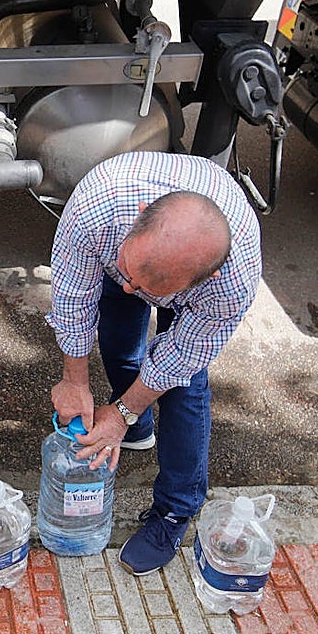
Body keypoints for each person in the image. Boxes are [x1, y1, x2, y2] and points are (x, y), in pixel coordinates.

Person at [45, 150, 261, 575]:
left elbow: (178, 357)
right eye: (129, 271)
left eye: (146, 287)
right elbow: (74, 298)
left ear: (207, 279)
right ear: (140, 216)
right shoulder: (98, 205)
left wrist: (121, 412)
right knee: (118, 334)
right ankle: (135, 427)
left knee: (184, 388)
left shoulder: (231, 282)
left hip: (184, 288)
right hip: (116, 237)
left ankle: (175, 511)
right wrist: (75, 382)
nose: (131, 288)